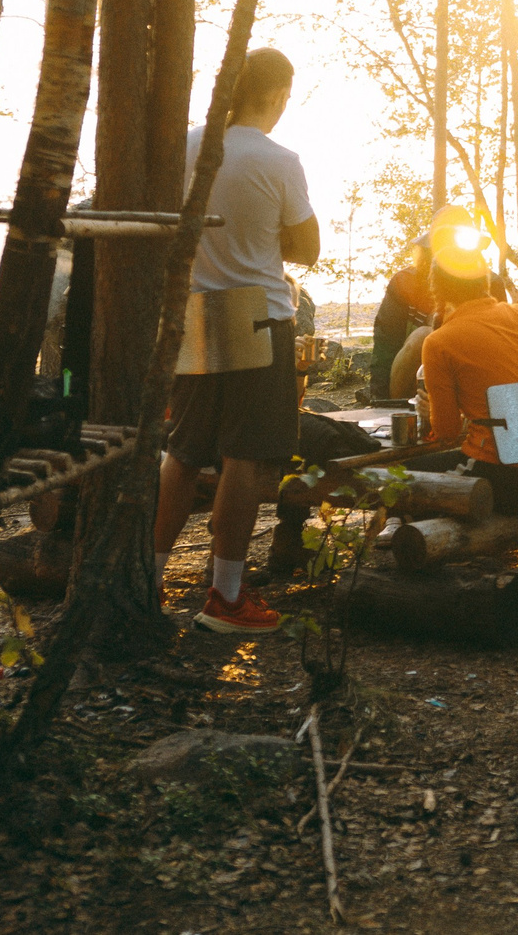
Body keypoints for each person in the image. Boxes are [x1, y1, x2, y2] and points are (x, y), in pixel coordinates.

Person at [153, 47, 319, 636]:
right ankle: (225, 595)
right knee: (243, 458)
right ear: (275, 95)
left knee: (184, 449)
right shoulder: (279, 160)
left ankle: (148, 578)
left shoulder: (188, 146)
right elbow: (307, 249)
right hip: (258, 318)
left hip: (196, 315)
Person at [417, 250, 518, 518]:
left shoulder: (439, 342)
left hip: (501, 481)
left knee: (400, 478)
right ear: (484, 280)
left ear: (437, 289)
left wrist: (431, 412)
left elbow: (445, 431)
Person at [367, 240, 432, 402]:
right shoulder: (404, 283)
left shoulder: (488, 283)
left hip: (462, 375)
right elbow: (385, 345)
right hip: (413, 382)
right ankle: (398, 406)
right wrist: (381, 401)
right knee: (422, 336)